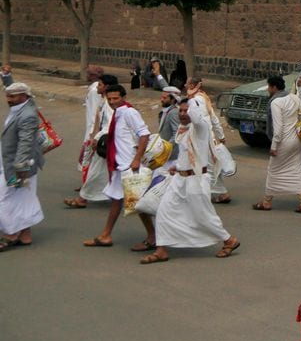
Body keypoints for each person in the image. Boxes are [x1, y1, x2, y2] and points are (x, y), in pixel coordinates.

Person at [138, 97, 240, 264]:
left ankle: (229, 240)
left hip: (197, 181)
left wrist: (192, 99)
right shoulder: (183, 128)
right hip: (179, 180)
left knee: (204, 216)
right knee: (164, 212)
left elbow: (197, 118)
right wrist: (177, 167)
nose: (184, 114)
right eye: (181, 110)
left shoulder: (200, 127)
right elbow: (186, 154)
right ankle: (161, 250)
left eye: (187, 111)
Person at [83, 84, 153, 248]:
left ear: (124, 97)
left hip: (129, 166)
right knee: (118, 201)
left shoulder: (129, 112)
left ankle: (153, 237)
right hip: (119, 165)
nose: (113, 102)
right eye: (110, 99)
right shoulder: (117, 113)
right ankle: (106, 235)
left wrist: (137, 159)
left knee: (138, 204)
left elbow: (144, 134)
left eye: (116, 98)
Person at [254, 75, 301, 214]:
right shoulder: (294, 98)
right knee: (297, 170)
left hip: (282, 142)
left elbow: (277, 129)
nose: (267, 89)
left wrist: (273, 147)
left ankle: (267, 202)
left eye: (268, 87)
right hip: (297, 140)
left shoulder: (275, 103)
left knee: (274, 171)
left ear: (274, 87)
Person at [0, 83, 44, 250]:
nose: (8, 100)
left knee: (3, 198)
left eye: (13, 96)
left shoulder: (27, 115)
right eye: (8, 96)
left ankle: (10, 234)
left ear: (24, 96)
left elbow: (25, 143)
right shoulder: (23, 106)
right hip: (17, 164)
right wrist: (6, 77)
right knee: (24, 198)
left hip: (19, 166)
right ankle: (25, 235)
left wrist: (20, 168)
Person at [66, 67, 115, 209]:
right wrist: (93, 136)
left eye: (100, 84)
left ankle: (83, 199)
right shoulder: (104, 101)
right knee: (104, 171)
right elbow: (98, 121)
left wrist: (96, 138)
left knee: (96, 170)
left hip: (105, 142)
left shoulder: (110, 104)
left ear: (106, 87)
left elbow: (109, 124)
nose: (97, 87)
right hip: (101, 140)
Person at [185, 76, 232, 205]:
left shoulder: (197, 100)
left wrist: (218, 136)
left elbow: (201, 121)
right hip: (206, 140)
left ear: (194, 85)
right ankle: (217, 193)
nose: (185, 86)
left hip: (204, 142)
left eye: (188, 84)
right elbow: (213, 118)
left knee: (208, 168)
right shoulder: (203, 98)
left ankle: (218, 194)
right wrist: (221, 136)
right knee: (211, 167)